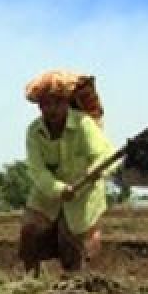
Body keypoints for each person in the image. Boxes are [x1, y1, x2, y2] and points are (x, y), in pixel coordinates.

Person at [19, 71, 118, 275]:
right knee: (29, 231)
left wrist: (93, 172)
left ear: (66, 102)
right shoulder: (34, 132)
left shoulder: (83, 124)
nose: (51, 109)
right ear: (39, 107)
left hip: (84, 191)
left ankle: (75, 286)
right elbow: (37, 170)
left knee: (71, 245)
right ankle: (29, 281)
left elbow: (106, 154)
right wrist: (58, 189)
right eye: (45, 104)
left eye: (56, 103)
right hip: (48, 191)